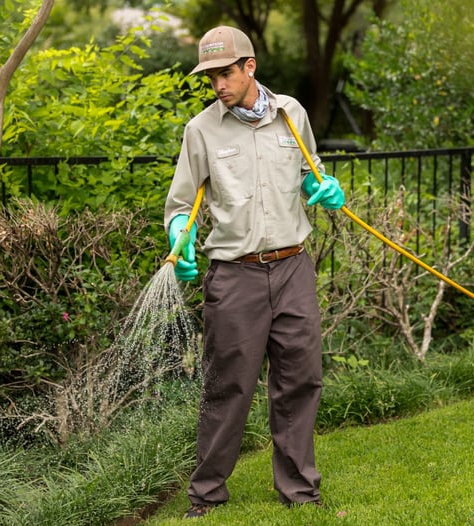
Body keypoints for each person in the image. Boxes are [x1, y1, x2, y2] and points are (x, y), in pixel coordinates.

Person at [163, 25, 345, 519]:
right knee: (229, 387)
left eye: (225, 73)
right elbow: (180, 203)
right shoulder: (201, 130)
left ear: (249, 67)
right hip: (234, 274)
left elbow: (312, 173)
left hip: (293, 268)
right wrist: (179, 236)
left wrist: (325, 188)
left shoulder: (292, 114)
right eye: (211, 76)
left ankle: (300, 490)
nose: (218, 84)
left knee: (301, 381)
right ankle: (206, 496)